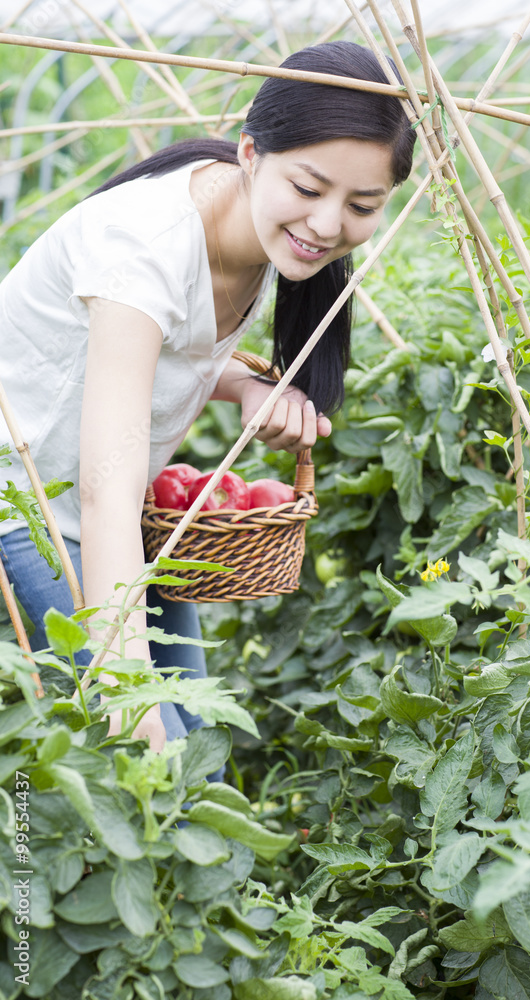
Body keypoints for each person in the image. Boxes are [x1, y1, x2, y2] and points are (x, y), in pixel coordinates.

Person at [0, 40, 416, 762]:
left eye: (361, 205)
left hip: (111, 514)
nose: (326, 225)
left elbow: (157, 352)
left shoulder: (254, 233)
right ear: (250, 154)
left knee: (188, 749)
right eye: (309, 188)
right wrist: (127, 691)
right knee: (124, 742)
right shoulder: (145, 246)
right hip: (25, 501)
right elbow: (105, 493)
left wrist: (245, 385)